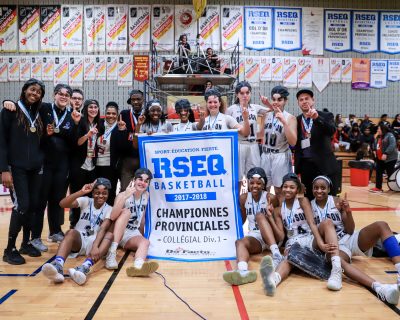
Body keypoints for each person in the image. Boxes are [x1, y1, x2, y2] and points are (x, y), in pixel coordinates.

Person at [2, 84, 81, 250]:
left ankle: (55, 231)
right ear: (54, 95)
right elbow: (25, 108)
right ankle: (36, 236)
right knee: (39, 201)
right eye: (61, 93)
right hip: (43, 162)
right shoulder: (43, 108)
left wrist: (74, 124)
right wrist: (7, 101)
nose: (64, 96)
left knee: (57, 200)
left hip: (62, 165)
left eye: (67, 95)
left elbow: (74, 143)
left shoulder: (72, 114)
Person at [311, 176, 400, 304]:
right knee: (338, 261)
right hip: (335, 247)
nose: (319, 191)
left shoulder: (337, 201)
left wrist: (348, 211)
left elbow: (350, 230)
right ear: (312, 189)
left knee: (382, 225)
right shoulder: (309, 205)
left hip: (349, 238)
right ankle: (379, 288)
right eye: (316, 188)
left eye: (323, 188)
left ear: (329, 189)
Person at [258, 173, 343, 296]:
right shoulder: (278, 210)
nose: (288, 189)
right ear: (281, 188)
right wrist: (270, 217)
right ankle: (272, 281)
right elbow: (281, 236)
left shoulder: (303, 201)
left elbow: (312, 223)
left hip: (309, 238)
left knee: (327, 223)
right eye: (285, 186)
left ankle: (336, 271)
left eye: (292, 187)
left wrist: (320, 243)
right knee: (289, 260)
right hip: (293, 242)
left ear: (297, 189)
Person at [0, 79, 46, 264]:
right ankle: (9, 248)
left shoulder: (39, 113)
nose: (34, 94)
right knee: (22, 205)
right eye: (32, 90)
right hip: (16, 167)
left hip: (35, 168)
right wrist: (3, 169)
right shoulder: (10, 111)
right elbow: (1, 142)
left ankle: (25, 243)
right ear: (25, 90)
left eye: (39, 92)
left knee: (33, 205)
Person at [42, 178, 113, 285]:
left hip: (93, 243)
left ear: (108, 194)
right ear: (92, 192)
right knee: (70, 232)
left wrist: (95, 246)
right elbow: (62, 204)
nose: (101, 196)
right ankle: (58, 266)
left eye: (104, 193)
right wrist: (81, 192)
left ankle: (84, 268)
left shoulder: (109, 209)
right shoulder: (85, 200)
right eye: (97, 192)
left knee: (109, 236)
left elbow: (103, 228)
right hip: (79, 240)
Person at [222, 168, 282, 286]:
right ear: (248, 183)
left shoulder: (271, 197)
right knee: (240, 242)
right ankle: (243, 271)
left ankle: (276, 254)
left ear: (264, 185)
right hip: (256, 237)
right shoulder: (244, 197)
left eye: (259, 183)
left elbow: (278, 218)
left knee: (260, 216)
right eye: (252, 183)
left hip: (270, 235)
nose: (255, 186)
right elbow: (243, 219)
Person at [105, 168, 159, 277]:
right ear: (133, 180)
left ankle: (138, 267)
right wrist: (125, 196)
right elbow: (113, 216)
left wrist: (142, 239)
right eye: (140, 179)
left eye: (146, 181)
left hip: (131, 233)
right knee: (126, 212)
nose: (142, 183)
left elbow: (142, 219)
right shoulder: (122, 195)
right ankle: (111, 253)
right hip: (117, 232)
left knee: (145, 243)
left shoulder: (146, 196)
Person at [293, 89, 339, 200]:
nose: (304, 101)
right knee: (308, 198)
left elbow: (331, 131)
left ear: (313, 100)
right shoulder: (296, 120)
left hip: (324, 165)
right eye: (301, 100)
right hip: (306, 166)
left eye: (307, 99)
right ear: (298, 103)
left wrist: (317, 118)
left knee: (329, 199)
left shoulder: (326, 115)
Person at [226, 82, 272, 185]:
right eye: (242, 93)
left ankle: (251, 199)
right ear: (237, 94)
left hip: (253, 144)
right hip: (239, 144)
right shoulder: (231, 109)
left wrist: (267, 103)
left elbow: (272, 110)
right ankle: (241, 199)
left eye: (247, 92)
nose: (245, 95)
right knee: (240, 177)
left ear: (250, 94)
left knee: (254, 176)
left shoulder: (255, 107)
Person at [69, 99, 102, 227]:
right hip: (79, 165)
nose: (93, 109)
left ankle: (88, 223)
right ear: (86, 108)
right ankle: (74, 224)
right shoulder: (81, 122)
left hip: (92, 165)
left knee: (90, 196)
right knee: (77, 195)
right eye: (90, 107)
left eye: (96, 107)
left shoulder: (100, 124)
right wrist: (88, 134)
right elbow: (77, 142)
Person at [260, 86, 297, 196]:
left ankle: (280, 213)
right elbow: (259, 134)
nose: (276, 102)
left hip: (280, 156)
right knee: (264, 188)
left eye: (279, 100)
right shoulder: (266, 114)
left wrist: (284, 123)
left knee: (280, 190)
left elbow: (293, 142)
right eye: (274, 99)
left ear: (285, 100)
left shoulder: (290, 118)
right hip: (265, 155)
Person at [96, 102, 126, 206]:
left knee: (110, 192)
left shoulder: (120, 126)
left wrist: (122, 131)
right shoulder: (98, 124)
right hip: (97, 164)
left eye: (113, 114)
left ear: (117, 115)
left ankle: (109, 217)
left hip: (112, 166)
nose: (111, 116)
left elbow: (123, 148)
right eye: (108, 113)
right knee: (97, 192)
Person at [118, 89, 143, 191]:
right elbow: (120, 135)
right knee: (125, 190)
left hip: (143, 158)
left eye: (138, 99)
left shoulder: (148, 113)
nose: (136, 102)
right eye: (133, 100)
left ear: (143, 100)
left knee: (142, 189)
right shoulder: (123, 114)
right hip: (128, 159)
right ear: (130, 101)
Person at [370, 124, 398, 193]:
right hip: (380, 159)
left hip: (390, 158)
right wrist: (374, 150)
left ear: (383, 129)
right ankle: (378, 188)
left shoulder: (390, 135)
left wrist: (386, 153)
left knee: (390, 174)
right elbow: (376, 145)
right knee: (378, 172)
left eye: (378, 129)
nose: (377, 130)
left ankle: (394, 188)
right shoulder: (379, 137)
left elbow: (392, 144)